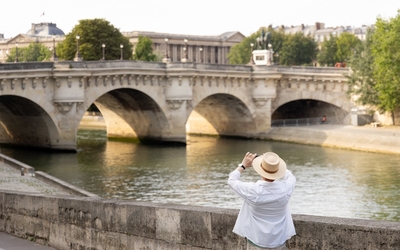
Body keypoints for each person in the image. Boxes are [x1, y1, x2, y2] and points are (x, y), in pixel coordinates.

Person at [228, 152, 296, 250]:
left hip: (256, 241)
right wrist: (274, 163)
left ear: (260, 170)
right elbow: (291, 177)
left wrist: (243, 165)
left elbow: (232, 180)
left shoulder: (253, 190)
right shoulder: (285, 189)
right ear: (278, 170)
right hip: (278, 241)